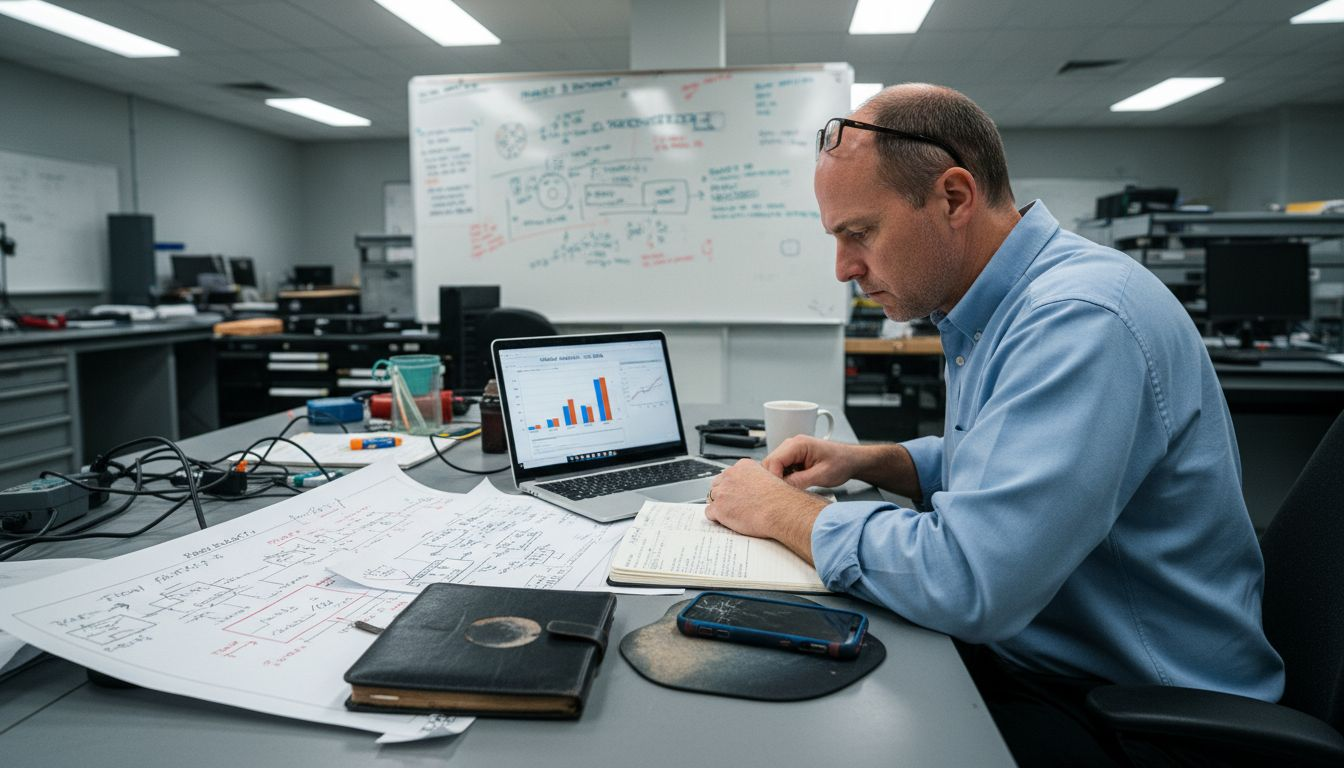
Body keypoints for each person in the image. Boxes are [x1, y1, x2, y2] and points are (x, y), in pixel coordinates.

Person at [703, 83, 1284, 766]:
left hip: (1142, 718)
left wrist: (785, 514)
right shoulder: (997, 305)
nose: (844, 269)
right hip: (1056, 663)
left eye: (859, 233)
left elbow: (970, 581)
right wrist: (875, 461)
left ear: (953, 198)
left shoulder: (1079, 320)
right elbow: (998, 460)